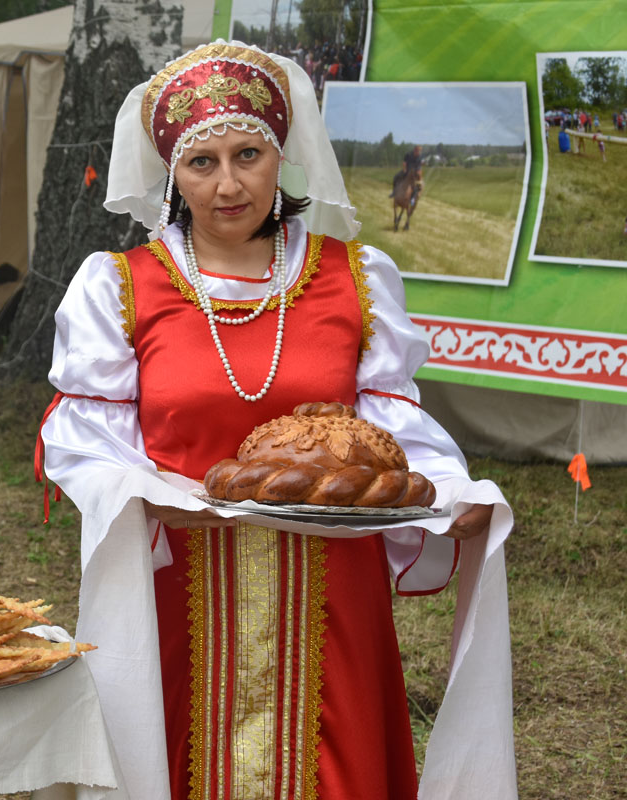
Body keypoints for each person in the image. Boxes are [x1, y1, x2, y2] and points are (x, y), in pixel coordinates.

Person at [39, 41, 515, 799]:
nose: (229, 184)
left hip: (334, 587)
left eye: (248, 155)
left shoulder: (353, 277)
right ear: (172, 174)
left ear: (280, 156)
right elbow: (81, 434)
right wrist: (140, 491)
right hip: (181, 582)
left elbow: (393, 426)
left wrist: (449, 493)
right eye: (202, 163)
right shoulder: (121, 287)